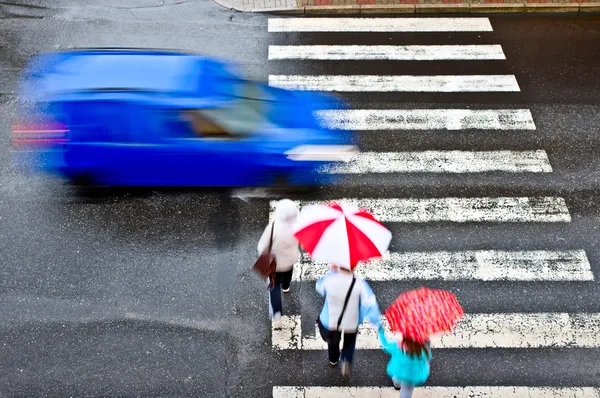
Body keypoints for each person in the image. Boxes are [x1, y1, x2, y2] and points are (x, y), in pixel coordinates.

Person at [316, 265, 381, 377]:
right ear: (354, 266)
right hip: (352, 320)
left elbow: (319, 287)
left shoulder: (330, 280)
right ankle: (346, 360)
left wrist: (332, 272)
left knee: (333, 341)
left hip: (332, 320)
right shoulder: (359, 284)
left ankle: (333, 359)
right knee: (349, 342)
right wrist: (376, 322)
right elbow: (370, 304)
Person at [257, 199, 300, 328]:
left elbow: (262, 246)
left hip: (275, 264)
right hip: (290, 260)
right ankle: (286, 287)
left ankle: (276, 314)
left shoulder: (273, 228)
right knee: (288, 274)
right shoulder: (297, 227)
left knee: (274, 287)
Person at [378, 327, 432, 397]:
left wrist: (381, 331)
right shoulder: (423, 351)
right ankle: (397, 384)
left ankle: (397, 385)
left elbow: (385, 345)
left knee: (397, 378)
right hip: (412, 377)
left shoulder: (397, 347)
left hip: (399, 372)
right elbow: (428, 358)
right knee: (406, 392)